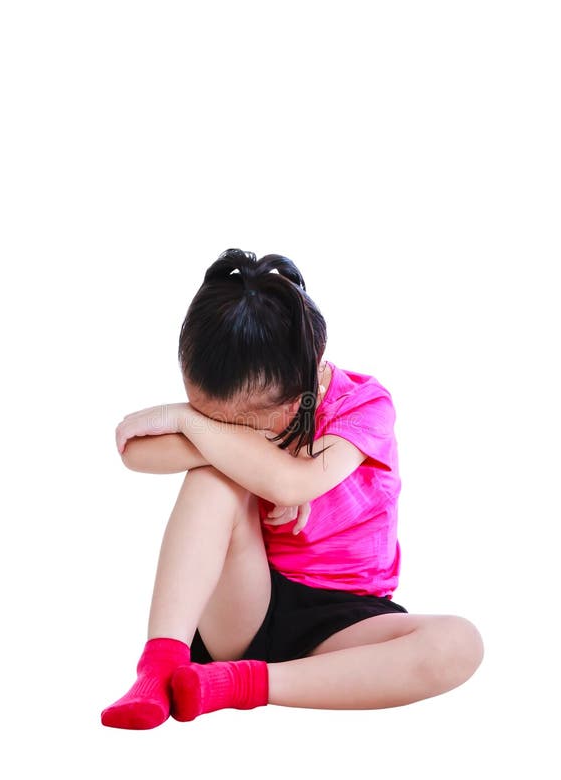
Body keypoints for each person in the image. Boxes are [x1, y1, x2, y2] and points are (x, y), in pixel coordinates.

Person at [101, 248, 484, 730]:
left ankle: (239, 684)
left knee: (460, 643)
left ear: (302, 387)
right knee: (213, 478)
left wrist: (190, 424)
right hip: (246, 602)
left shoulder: (363, 407)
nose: (215, 426)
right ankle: (158, 666)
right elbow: (137, 453)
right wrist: (227, 439)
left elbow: (296, 481)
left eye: (230, 422)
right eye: (205, 416)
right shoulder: (239, 397)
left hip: (346, 622)